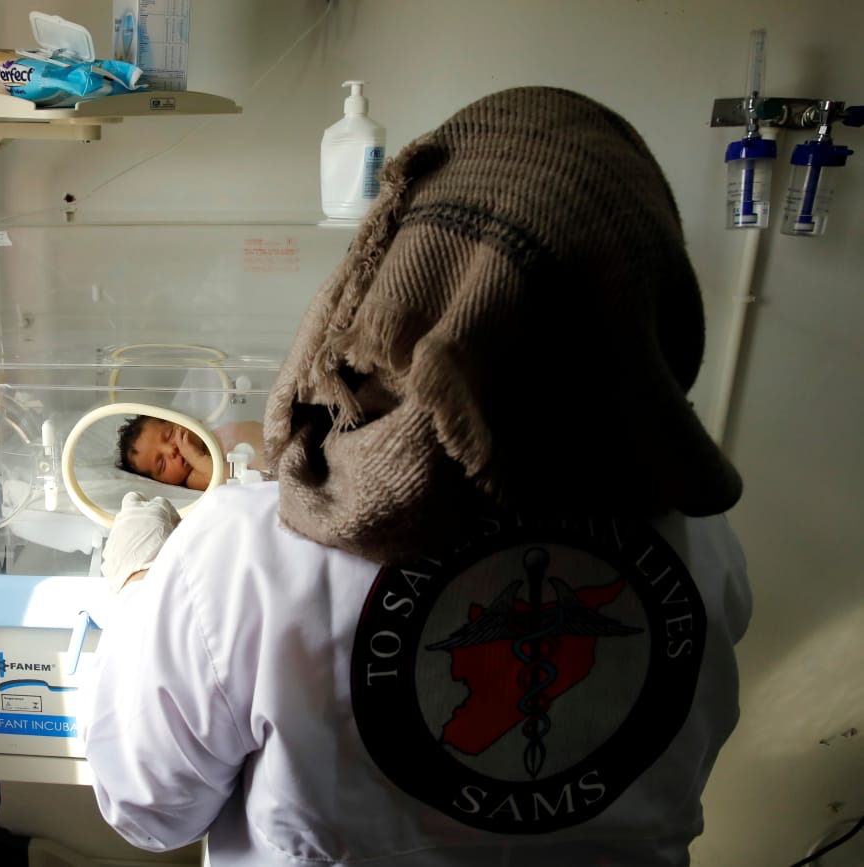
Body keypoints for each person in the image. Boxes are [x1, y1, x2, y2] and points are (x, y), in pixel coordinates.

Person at [86, 87, 751, 866]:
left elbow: (149, 806)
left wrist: (137, 588)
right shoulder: (705, 547)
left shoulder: (252, 553)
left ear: (400, 266)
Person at [116, 415, 266, 490]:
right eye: (162, 463)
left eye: (169, 435)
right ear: (162, 482)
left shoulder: (212, 431)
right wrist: (197, 457)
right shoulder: (195, 475)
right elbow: (230, 479)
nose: (171, 450)